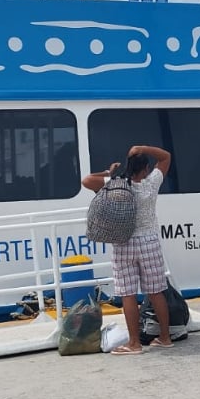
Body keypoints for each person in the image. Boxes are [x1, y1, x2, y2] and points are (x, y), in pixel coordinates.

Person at [80, 145, 174, 355]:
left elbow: (86, 181)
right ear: (146, 169)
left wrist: (108, 173)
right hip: (149, 242)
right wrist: (142, 148)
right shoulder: (151, 184)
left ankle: (134, 343)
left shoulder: (116, 184)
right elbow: (166, 156)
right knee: (156, 291)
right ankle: (165, 338)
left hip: (124, 243)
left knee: (128, 294)